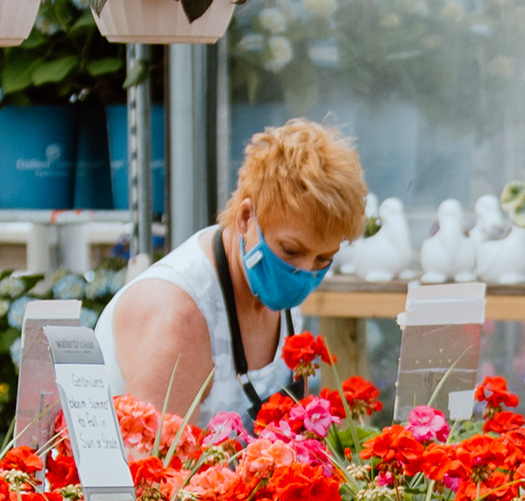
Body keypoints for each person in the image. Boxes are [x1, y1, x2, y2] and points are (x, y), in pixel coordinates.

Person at [100, 118, 370, 421]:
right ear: (245, 217)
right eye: (291, 251)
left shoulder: (272, 291)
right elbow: (154, 464)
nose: (305, 273)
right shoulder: (177, 315)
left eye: (323, 259)